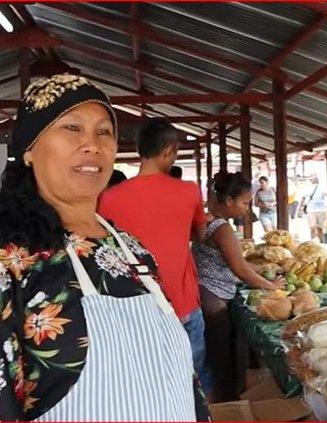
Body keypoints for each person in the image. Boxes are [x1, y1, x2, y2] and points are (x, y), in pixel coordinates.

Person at [0, 74, 205, 421]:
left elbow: (185, 381)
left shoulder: (131, 250)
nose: (92, 144)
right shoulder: (13, 261)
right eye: (71, 128)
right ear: (29, 150)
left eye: (104, 131)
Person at [98, 118, 210, 392]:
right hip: (182, 303)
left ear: (140, 150)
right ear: (170, 150)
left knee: (146, 386)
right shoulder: (188, 191)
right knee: (191, 380)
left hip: (135, 310)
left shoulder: (108, 198)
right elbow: (200, 235)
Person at [192, 172, 284, 403]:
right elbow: (240, 270)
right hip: (213, 299)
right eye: (244, 203)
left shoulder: (207, 220)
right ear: (229, 200)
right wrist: (270, 286)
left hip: (205, 294)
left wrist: (263, 269)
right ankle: (223, 407)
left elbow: (235, 261)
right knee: (220, 361)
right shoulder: (221, 228)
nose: (246, 209)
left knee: (216, 357)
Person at [298, 175, 327, 242]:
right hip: (311, 209)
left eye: (313, 178)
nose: (312, 180)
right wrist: (299, 209)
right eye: (311, 178)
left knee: (320, 227)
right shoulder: (307, 187)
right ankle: (313, 241)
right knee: (312, 226)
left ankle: (321, 241)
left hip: (321, 209)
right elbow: (303, 198)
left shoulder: (323, 186)